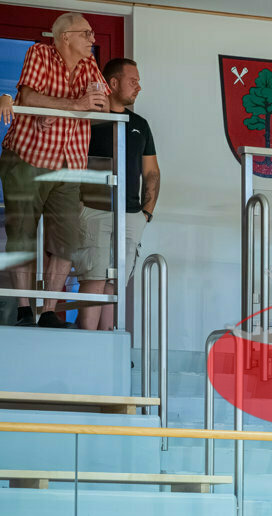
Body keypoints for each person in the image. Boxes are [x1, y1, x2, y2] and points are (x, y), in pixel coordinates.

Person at [0, 12, 109, 328]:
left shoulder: (89, 64)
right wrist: (72, 106)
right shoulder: (40, 52)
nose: (92, 39)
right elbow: (29, 95)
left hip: (69, 162)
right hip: (27, 157)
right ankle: (24, 309)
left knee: (67, 240)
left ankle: (48, 309)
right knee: (22, 235)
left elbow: (103, 105)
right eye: (86, 33)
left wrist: (57, 109)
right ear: (65, 37)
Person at [74, 58, 159, 331]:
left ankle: (106, 343)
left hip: (131, 214)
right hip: (93, 208)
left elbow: (152, 172)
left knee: (115, 282)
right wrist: (77, 205)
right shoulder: (90, 119)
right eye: (133, 81)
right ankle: (86, 344)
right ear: (112, 82)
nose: (138, 87)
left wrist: (146, 213)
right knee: (94, 278)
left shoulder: (140, 125)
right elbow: (70, 162)